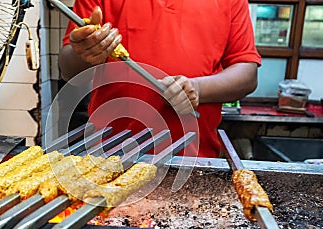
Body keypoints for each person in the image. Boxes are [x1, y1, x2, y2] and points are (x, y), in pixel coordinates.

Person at [59, 0, 261, 158]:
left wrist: (198, 89)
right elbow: (68, 70)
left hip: (193, 157)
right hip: (110, 154)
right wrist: (83, 53)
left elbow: (247, 74)